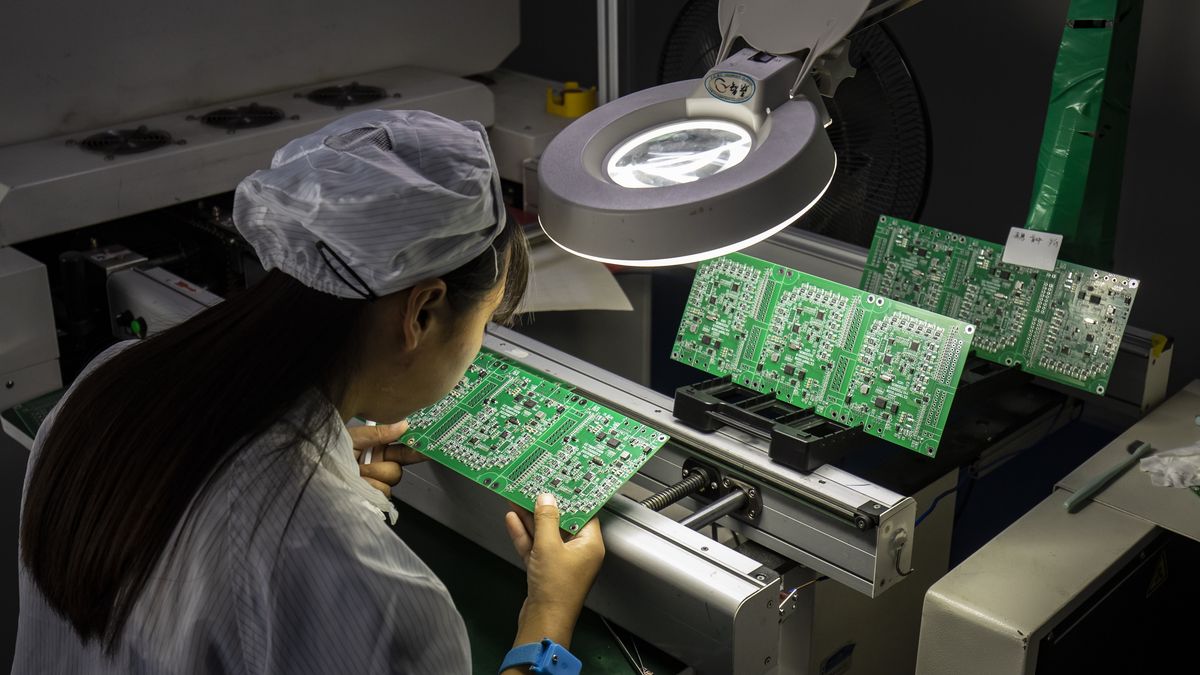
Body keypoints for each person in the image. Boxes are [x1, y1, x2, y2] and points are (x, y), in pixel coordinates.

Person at [13, 110, 604, 674]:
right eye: (484, 324)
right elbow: (273, 550)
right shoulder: (366, 585)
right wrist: (548, 614)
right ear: (422, 311)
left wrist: (312, 471)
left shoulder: (106, 381)